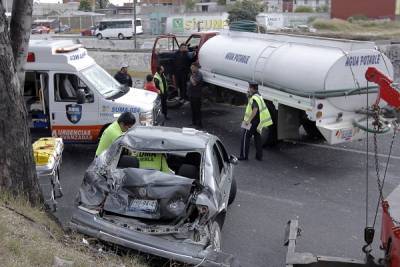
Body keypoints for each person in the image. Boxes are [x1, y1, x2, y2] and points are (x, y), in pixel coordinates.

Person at [239, 82, 273, 161]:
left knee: (245, 137)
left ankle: (244, 156)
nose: (248, 89)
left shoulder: (254, 98)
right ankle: (259, 156)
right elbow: (251, 105)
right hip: (258, 121)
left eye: (249, 88)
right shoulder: (258, 95)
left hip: (251, 121)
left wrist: (248, 121)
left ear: (252, 88)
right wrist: (248, 96)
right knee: (257, 137)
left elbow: (254, 110)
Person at [187, 62, 203, 128]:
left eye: (193, 67)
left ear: (196, 67)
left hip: (197, 95)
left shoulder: (199, 74)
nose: (191, 68)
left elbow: (194, 83)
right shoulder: (192, 73)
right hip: (191, 94)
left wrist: (191, 77)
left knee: (197, 110)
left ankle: (199, 124)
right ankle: (194, 122)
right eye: (191, 67)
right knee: (193, 109)